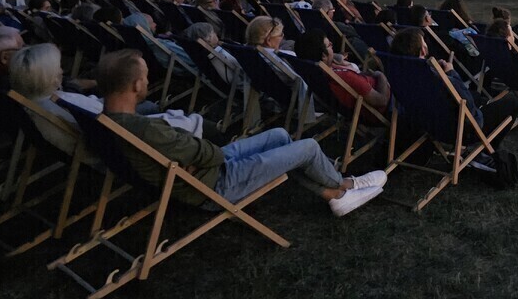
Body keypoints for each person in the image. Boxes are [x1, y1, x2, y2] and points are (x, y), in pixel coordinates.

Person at [97, 50, 384, 216]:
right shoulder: (146, 128)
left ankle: (331, 191)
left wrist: (196, 153)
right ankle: (344, 187)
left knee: (280, 136)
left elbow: (197, 152)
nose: (148, 80)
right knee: (307, 146)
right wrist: (199, 152)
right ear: (136, 86)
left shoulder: (107, 121)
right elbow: (206, 150)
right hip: (215, 184)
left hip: (207, 168)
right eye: (145, 76)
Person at [10, 44, 222, 162]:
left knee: (150, 106)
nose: (61, 70)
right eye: (57, 66)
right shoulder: (64, 103)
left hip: (111, 135)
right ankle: (221, 138)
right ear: (47, 76)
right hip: (122, 143)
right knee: (192, 121)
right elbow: (118, 121)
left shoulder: (35, 104)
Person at [390, 27, 518, 170]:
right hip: (459, 131)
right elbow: (467, 103)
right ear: (423, 51)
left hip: (425, 126)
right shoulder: (435, 78)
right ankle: (486, 151)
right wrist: (451, 72)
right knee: (512, 102)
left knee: (479, 98)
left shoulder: (401, 75)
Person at [294, 29, 389, 115]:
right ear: (323, 55)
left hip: (360, 103)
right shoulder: (344, 76)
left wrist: (334, 58)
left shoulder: (318, 74)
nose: (332, 44)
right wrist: (381, 75)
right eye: (329, 45)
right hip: (388, 105)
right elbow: (382, 101)